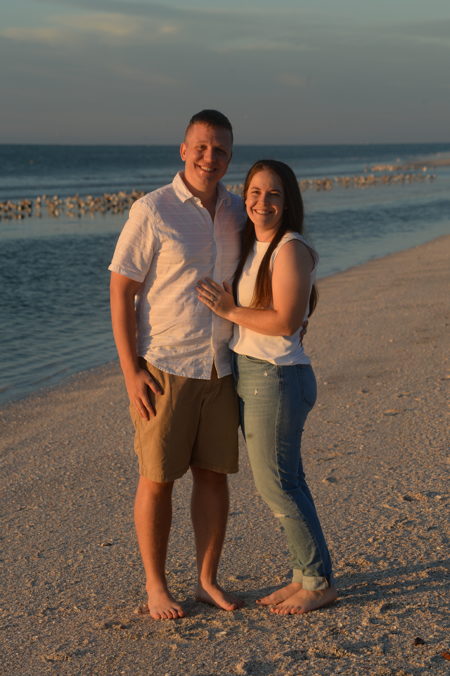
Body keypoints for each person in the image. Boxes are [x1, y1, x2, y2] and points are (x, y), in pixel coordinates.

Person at [109, 110, 246, 620]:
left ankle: (207, 580)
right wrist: (131, 371)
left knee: (213, 477)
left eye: (221, 149)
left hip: (221, 367)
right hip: (165, 366)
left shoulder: (237, 210)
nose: (211, 157)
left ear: (230, 156)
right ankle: (156, 586)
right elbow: (121, 291)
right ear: (183, 150)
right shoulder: (153, 210)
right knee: (157, 478)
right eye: (202, 147)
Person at [197, 159, 337, 614]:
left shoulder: (290, 248)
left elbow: (286, 321)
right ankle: (306, 575)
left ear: (287, 201)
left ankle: (317, 581)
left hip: (275, 376)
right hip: (256, 373)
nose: (262, 201)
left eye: (274, 193)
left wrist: (228, 310)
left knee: (278, 485)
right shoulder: (255, 245)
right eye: (255, 192)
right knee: (289, 481)